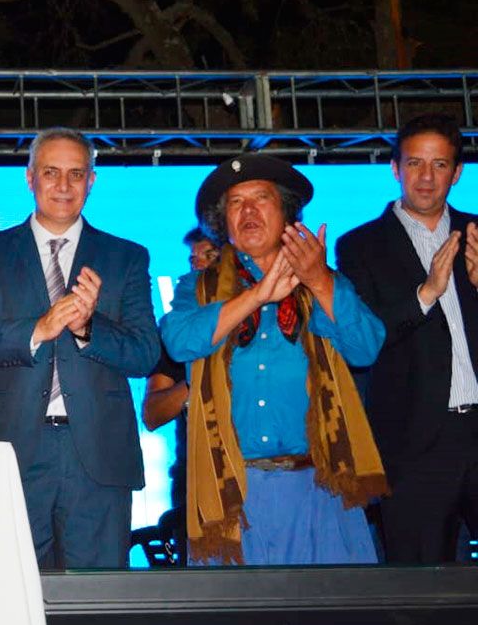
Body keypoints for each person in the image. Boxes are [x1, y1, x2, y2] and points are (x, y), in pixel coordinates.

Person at [0, 127, 160, 569]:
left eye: (76, 174)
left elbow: (144, 354)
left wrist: (88, 328)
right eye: (51, 172)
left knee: (98, 595)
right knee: (9, 587)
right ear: (30, 178)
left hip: (97, 458)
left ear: (91, 181)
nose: (63, 185)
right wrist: (37, 329)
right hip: (12, 450)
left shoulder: (126, 257)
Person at [162, 153, 387, 565]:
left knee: (331, 607)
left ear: (286, 214)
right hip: (232, 490)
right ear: (224, 222)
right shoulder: (197, 288)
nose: (248, 211)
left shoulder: (324, 283)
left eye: (261, 198)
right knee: (237, 608)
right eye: (236, 202)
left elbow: (365, 348)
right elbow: (180, 342)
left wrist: (318, 281)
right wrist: (258, 295)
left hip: (318, 488)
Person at [336, 113, 478, 564]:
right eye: (415, 163)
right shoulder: (360, 245)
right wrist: (426, 293)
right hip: (415, 443)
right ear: (395, 168)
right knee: (422, 580)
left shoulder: (476, 233)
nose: (426, 177)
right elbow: (366, 339)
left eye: (440, 165)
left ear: (457, 172)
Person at [143, 228, 220, 515]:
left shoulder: (267, 316)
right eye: (193, 258)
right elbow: (152, 414)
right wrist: (200, 378)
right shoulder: (175, 329)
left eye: (210, 256)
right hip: (197, 479)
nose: (198, 264)